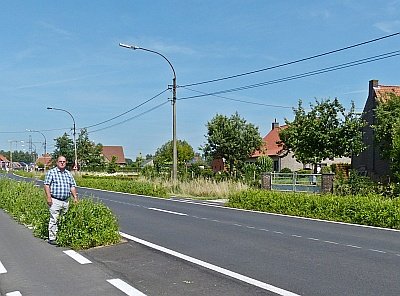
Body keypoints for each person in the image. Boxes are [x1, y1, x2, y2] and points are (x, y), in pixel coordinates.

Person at [43, 156, 78, 245]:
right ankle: (52, 238)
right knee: (54, 218)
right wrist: (48, 197)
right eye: (60, 161)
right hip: (55, 200)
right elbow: (47, 185)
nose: (62, 163)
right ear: (57, 162)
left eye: (64, 161)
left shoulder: (68, 174)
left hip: (66, 200)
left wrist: (75, 197)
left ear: (66, 163)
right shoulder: (52, 172)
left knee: (64, 218)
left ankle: (62, 235)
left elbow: (72, 186)